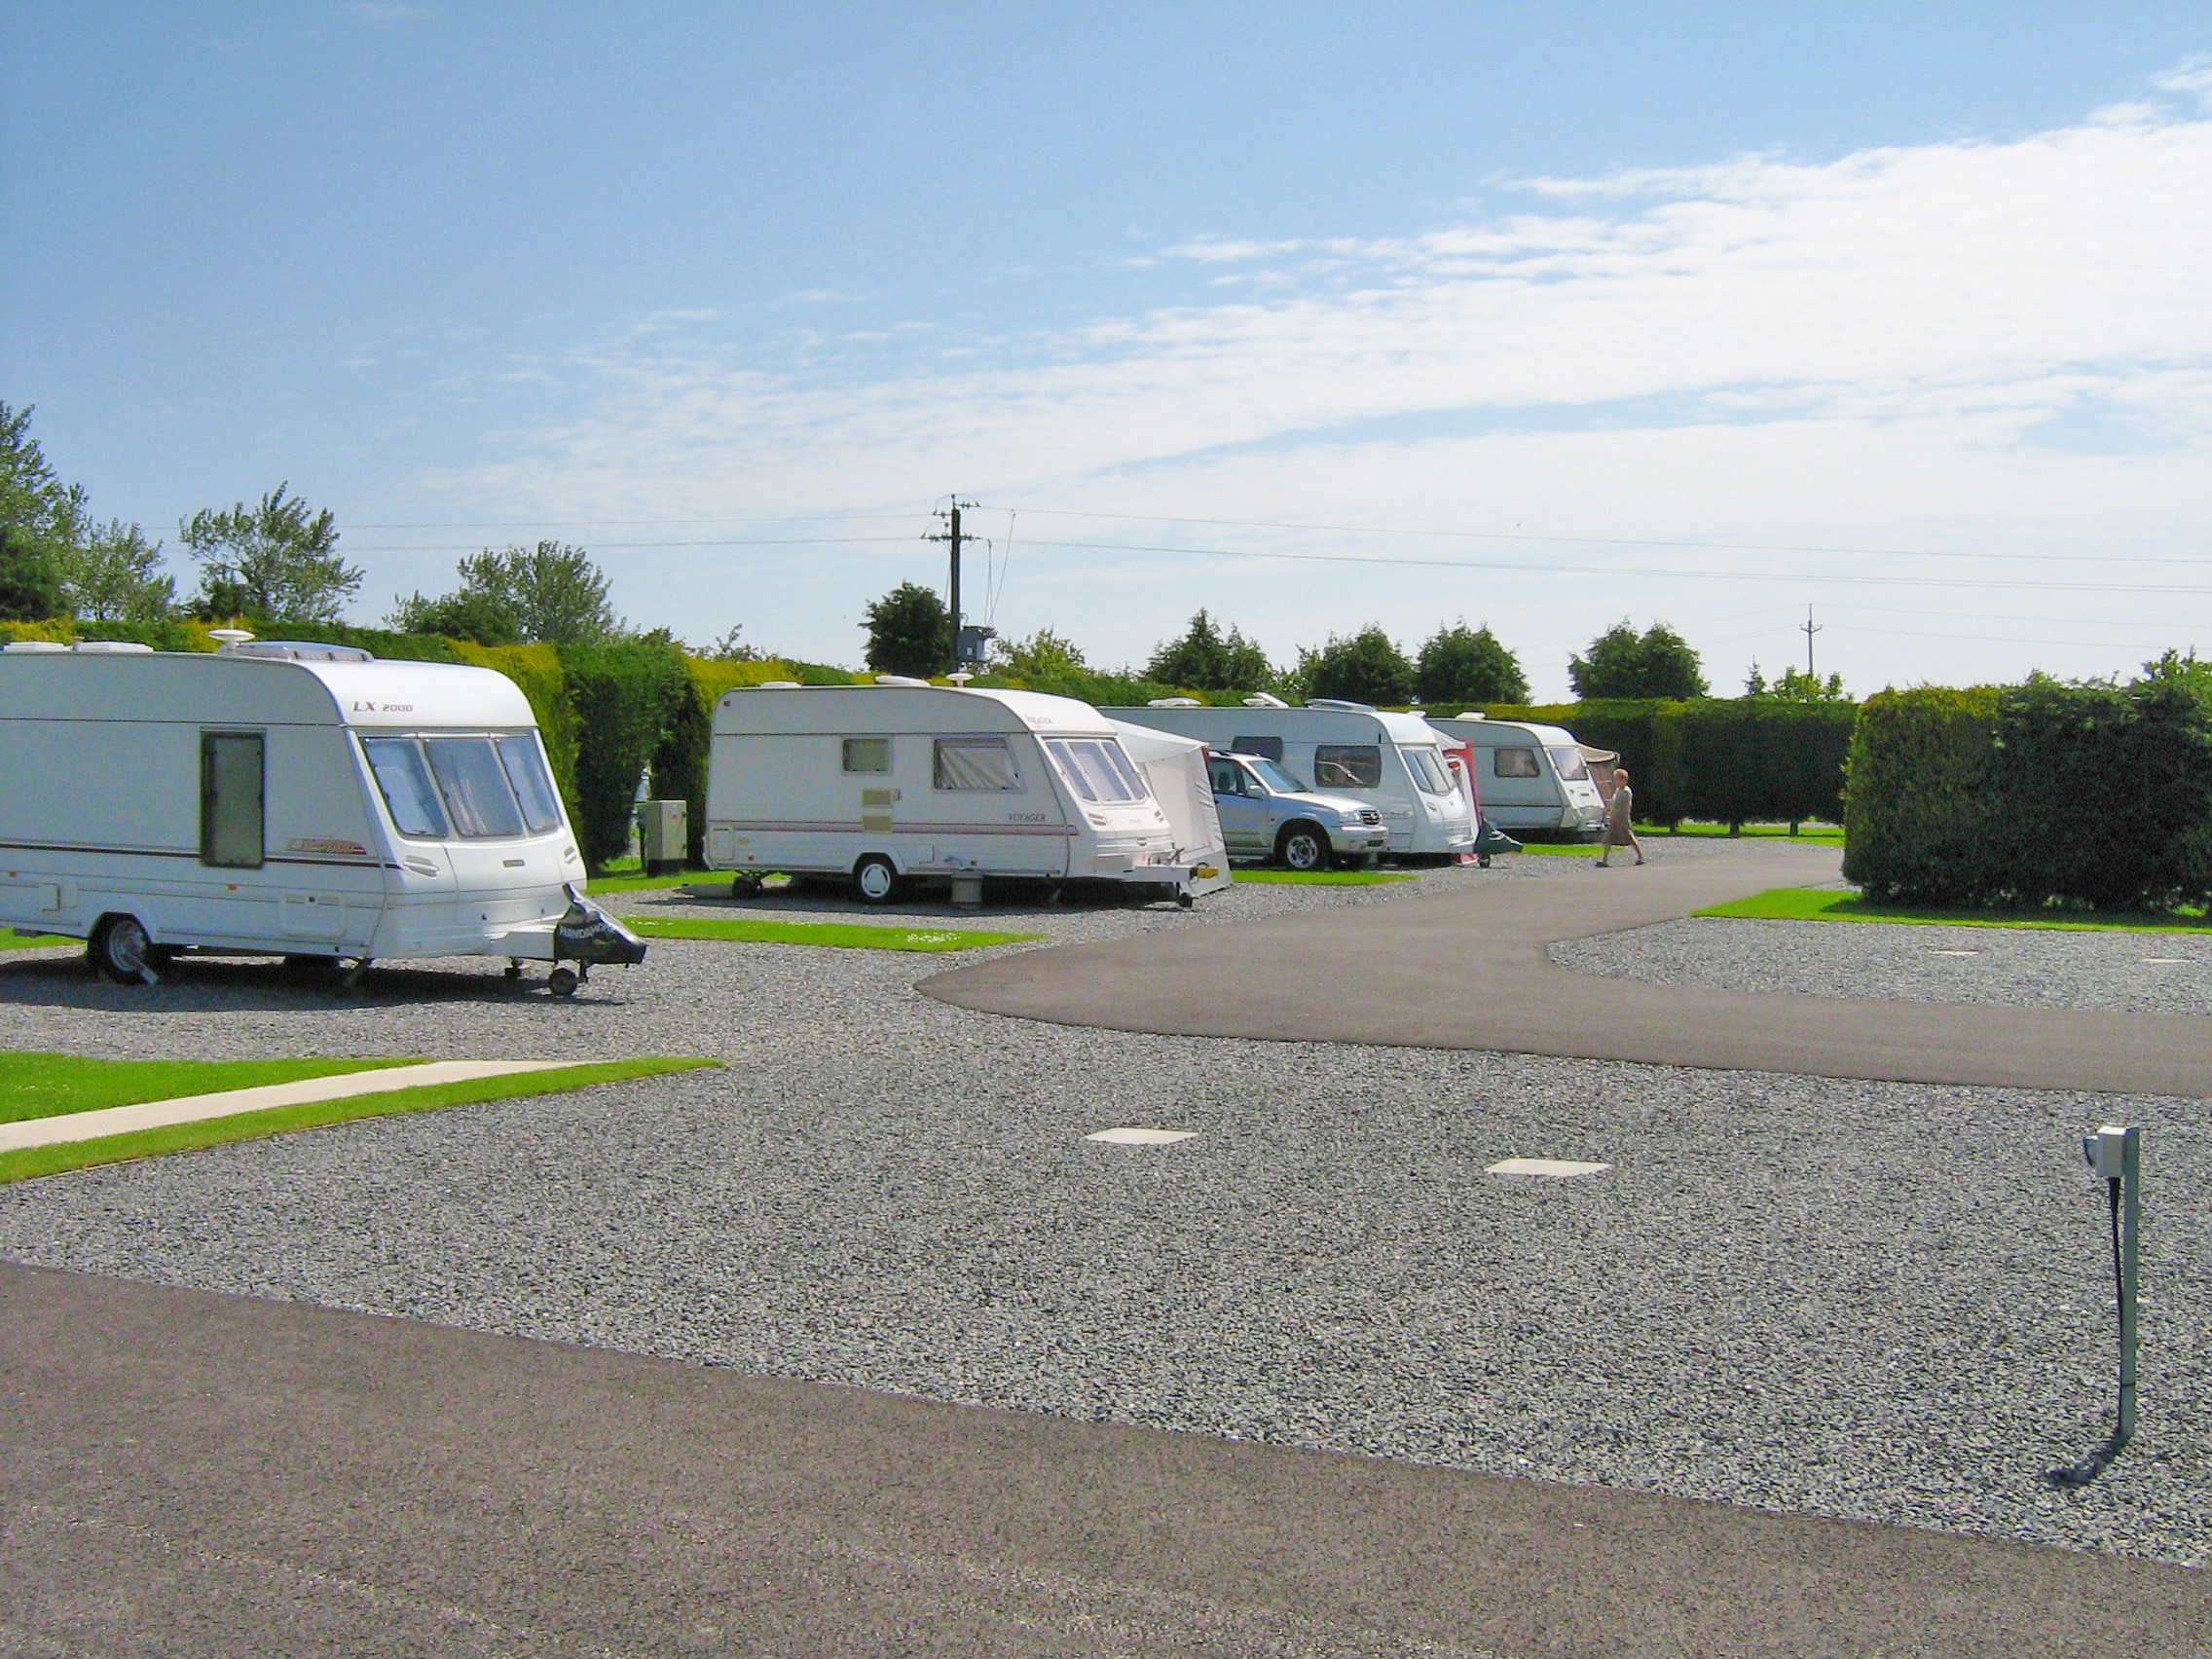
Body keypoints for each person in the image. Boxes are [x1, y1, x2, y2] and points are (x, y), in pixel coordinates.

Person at [1597, 766, 1644, 866]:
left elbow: (1623, 806)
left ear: (1624, 780)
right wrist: (1608, 810)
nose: (1615, 782)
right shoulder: (1618, 790)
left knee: (1629, 837)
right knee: (1608, 838)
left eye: (1617, 779)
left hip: (1622, 819)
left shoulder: (1626, 792)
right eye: (1615, 779)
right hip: (1614, 818)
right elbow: (1614, 803)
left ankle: (1640, 856)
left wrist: (1615, 814)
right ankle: (1604, 860)